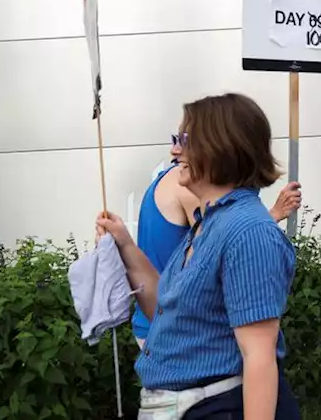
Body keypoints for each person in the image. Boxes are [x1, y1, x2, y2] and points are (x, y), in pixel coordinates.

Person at [95, 93, 300, 418]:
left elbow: (258, 357)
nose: (175, 150)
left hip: (217, 407)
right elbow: (165, 309)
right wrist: (125, 247)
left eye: (185, 139)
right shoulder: (209, 223)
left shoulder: (247, 230)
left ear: (222, 147)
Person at [133, 158, 302, 348]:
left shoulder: (168, 179)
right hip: (176, 331)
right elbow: (211, 250)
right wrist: (272, 216)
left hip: (154, 320)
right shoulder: (187, 191)